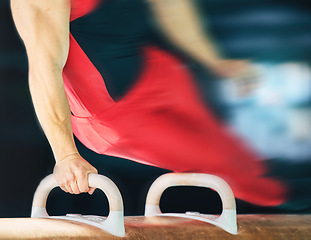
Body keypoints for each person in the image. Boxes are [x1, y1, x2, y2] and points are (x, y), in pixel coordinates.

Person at [11, 0, 287, 206]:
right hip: (118, 117)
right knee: (234, 171)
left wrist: (214, 61)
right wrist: (66, 155)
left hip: (162, 74)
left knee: (250, 160)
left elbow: (171, 6)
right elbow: (45, 67)